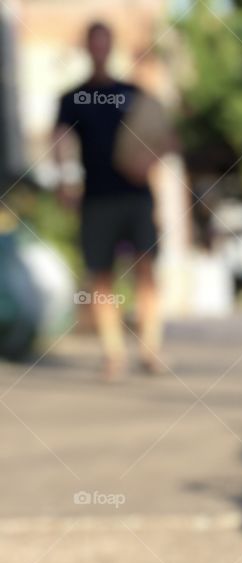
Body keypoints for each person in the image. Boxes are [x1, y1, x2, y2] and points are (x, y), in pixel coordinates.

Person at [52, 21, 165, 380]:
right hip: (97, 197)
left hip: (136, 195)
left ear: (110, 46)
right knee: (101, 276)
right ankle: (113, 354)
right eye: (94, 44)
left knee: (146, 270)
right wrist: (64, 182)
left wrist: (150, 159)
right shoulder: (72, 99)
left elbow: (164, 138)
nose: (99, 50)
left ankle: (150, 350)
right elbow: (59, 143)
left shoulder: (133, 93)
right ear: (87, 48)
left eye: (105, 44)